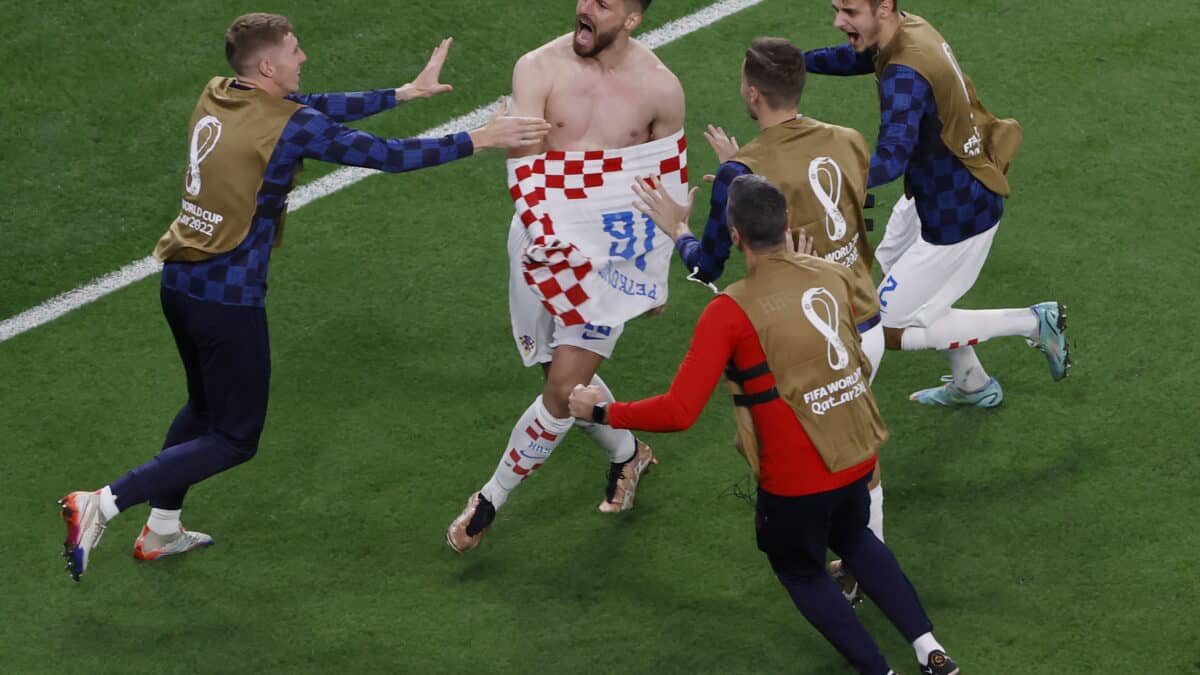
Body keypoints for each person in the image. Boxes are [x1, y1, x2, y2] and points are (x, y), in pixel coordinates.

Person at [57, 12, 550, 582]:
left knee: (203, 409)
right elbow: (385, 156)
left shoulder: (222, 92)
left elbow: (311, 108)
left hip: (179, 284)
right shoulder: (290, 126)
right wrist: (480, 138)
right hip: (227, 299)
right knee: (235, 437)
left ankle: (161, 528)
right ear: (267, 66)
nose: (303, 57)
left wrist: (403, 93)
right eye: (294, 50)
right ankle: (102, 503)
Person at [570, 174, 960, 675]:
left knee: (800, 570)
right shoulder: (829, 275)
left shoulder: (727, 312)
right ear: (788, 223)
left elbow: (678, 411)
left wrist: (601, 411)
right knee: (858, 538)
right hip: (854, 451)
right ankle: (932, 651)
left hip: (795, 479)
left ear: (734, 236)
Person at [446, 0, 686, 553]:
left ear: (631, 19)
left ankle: (489, 499)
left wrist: (654, 271)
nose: (585, 8)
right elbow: (526, 168)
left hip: (606, 265)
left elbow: (666, 184)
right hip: (540, 244)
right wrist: (546, 237)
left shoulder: (661, 88)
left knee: (562, 388)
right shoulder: (538, 68)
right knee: (557, 377)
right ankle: (630, 454)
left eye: (603, 4)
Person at [654, 39, 887, 586]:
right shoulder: (849, 140)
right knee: (860, 459)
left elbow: (709, 267)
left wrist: (678, 229)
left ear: (751, 92)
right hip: (864, 321)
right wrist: (745, 170)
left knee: (812, 466)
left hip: (807, 339)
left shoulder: (741, 174)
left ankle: (846, 571)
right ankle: (862, 565)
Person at [805, 0, 1070, 407]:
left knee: (887, 325)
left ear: (884, 8)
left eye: (850, 12)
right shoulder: (907, 32)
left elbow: (891, 158)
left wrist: (825, 181)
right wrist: (797, 62)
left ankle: (1034, 322)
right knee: (900, 273)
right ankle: (973, 382)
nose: (839, 21)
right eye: (837, 8)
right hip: (934, 194)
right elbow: (860, 57)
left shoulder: (905, 75)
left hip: (956, 215)